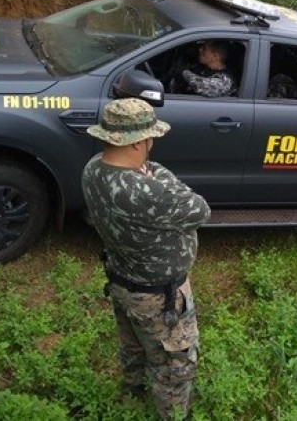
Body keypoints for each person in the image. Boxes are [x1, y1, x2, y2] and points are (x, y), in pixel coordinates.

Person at [81, 98, 211, 419]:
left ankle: (133, 392)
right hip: (159, 297)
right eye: (151, 136)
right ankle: (173, 414)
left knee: (133, 345)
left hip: (122, 280)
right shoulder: (148, 192)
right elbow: (199, 209)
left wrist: (151, 174)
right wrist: (157, 177)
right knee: (175, 366)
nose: (153, 143)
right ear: (139, 142)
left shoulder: (93, 168)